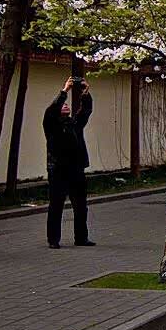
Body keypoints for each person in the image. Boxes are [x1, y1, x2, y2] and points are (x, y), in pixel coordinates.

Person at [42, 76, 95, 248]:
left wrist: (85, 92)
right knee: (56, 206)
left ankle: (81, 238)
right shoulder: (51, 124)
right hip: (58, 170)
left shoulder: (74, 124)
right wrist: (65, 90)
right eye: (63, 105)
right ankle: (53, 240)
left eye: (67, 105)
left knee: (81, 206)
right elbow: (51, 110)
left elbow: (86, 111)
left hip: (76, 170)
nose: (65, 105)